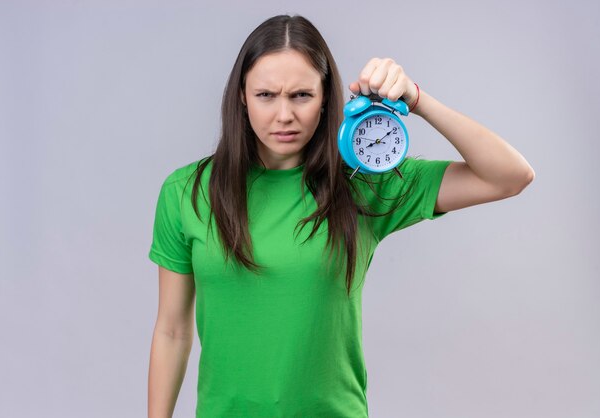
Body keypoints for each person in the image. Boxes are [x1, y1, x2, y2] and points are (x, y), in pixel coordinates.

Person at [147, 14, 534, 418]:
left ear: (326, 97)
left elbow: (510, 176)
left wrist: (417, 100)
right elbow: (172, 331)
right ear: (241, 96)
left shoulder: (363, 183)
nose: (284, 115)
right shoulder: (186, 193)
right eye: (266, 95)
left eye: (300, 95)